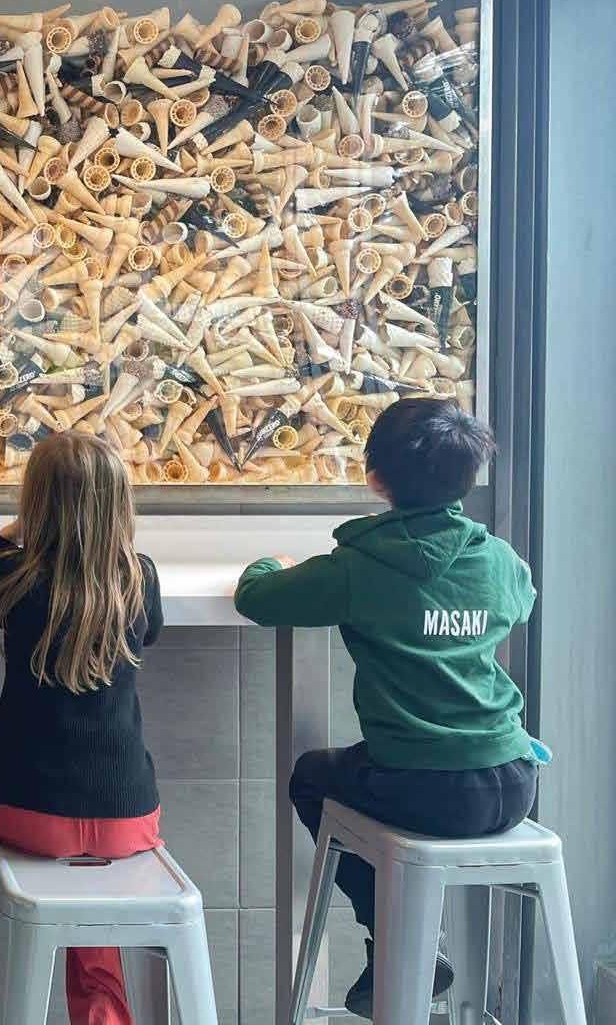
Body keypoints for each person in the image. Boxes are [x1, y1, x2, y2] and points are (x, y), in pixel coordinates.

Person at [234, 397, 539, 1018]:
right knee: (358, 771)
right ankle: (416, 948)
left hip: (424, 788)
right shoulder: (498, 561)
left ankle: (393, 937)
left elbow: (257, 598)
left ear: (374, 478)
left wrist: (271, 562)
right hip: (514, 781)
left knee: (311, 776)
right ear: (468, 477)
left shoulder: (358, 567)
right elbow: (523, 599)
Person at [0, 431, 164, 1025]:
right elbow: (151, 631)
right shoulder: (138, 577)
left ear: (36, 503)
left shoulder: (14, 574)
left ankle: (0, 999)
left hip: (24, 811)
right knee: (93, 901)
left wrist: (7, 535)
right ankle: (101, 1013)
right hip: (126, 818)